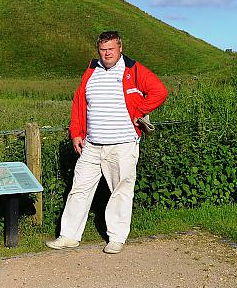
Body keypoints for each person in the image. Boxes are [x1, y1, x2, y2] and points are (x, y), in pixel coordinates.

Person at [46, 31, 167, 254]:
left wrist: (139, 111)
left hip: (122, 143)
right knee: (79, 189)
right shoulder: (91, 71)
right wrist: (76, 132)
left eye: (111, 48)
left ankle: (116, 237)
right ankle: (69, 236)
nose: (107, 53)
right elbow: (79, 102)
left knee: (121, 190)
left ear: (120, 48)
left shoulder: (133, 69)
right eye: (103, 49)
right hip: (92, 144)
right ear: (98, 50)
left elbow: (159, 92)